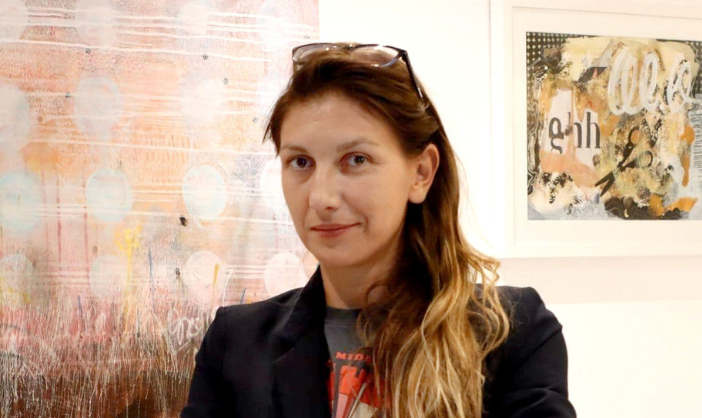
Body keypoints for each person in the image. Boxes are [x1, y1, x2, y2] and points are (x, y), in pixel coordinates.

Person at [181, 42, 577, 418]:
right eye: (300, 162)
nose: (321, 197)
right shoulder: (237, 344)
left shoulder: (509, 333)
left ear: (421, 173)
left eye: (356, 159)